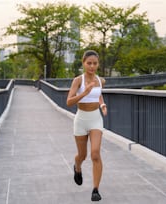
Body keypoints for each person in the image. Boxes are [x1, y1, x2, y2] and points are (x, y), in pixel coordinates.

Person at [66, 50, 107, 202]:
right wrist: (84, 93)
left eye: (95, 63)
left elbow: (99, 94)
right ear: (83, 63)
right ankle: (77, 167)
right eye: (89, 63)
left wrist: (102, 104)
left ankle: (95, 190)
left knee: (95, 153)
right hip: (81, 120)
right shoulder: (78, 80)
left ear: (98, 64)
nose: (92, 66)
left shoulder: (100, 80)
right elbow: (69, 101)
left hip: (96, 118)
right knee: (82, 155)